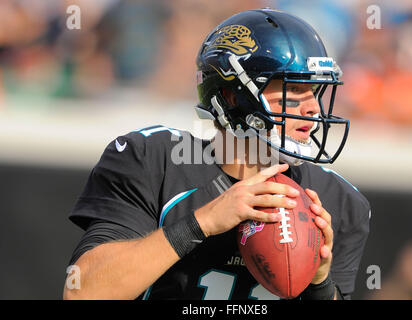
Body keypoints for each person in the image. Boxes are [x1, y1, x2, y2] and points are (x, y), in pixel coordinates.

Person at [63, 9, 370, 300]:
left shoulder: (336, 199)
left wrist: (320, 283)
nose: (313, 108)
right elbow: (84, 291)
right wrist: (202, 223)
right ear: (231, 95)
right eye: (293, 91)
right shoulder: (152, 160)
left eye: (314, 91)